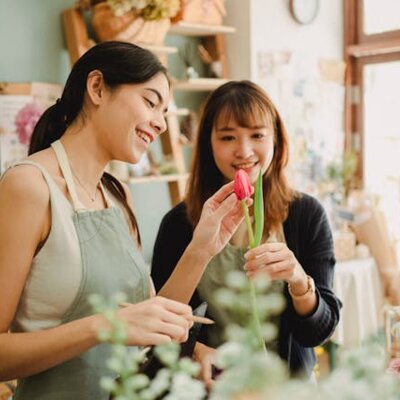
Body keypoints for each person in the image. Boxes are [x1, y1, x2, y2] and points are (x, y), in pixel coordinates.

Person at [0, 42, 249, 400]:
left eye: (165, 111)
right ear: (97, 87)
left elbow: (150, 321)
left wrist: (202, 248)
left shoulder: (117, 196)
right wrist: (102, 327)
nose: (162, 123)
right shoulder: (28, 186)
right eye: (151, 102)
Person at [151, 80, 342, 378]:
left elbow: (319, 332)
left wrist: (298, 280)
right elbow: (160, 322)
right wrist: (196, 349)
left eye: (257, 135)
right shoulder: (179, 223)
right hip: (214, 386)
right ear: (208, 144)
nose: (244, 151)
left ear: (275, 140)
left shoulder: (306, 215)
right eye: (228, 138)